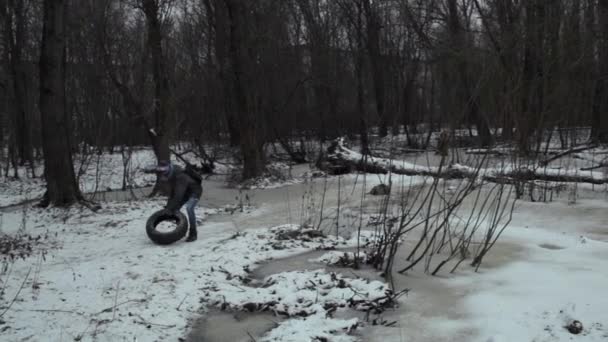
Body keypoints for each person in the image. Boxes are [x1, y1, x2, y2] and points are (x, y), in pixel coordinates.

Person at [155, 160, 202, 242]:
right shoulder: (172, 176)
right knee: (175, 209)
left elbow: (178, 195)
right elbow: (173, 194)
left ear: (168, 169)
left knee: (189, 208)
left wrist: (169, 208)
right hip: (186, 192)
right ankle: (180, 229)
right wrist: (169, 207)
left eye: (164, 172)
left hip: (195, 191)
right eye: (161, 172)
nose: (163, 174)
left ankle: (193, 233)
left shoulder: (181, 177)